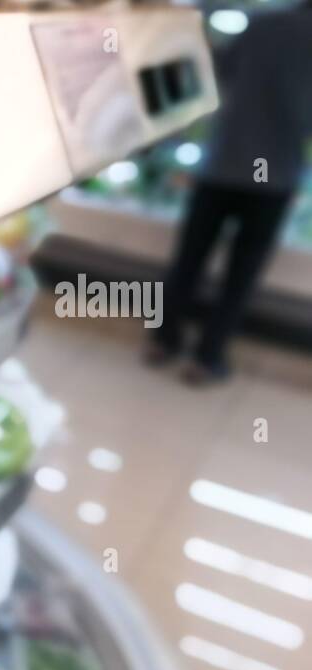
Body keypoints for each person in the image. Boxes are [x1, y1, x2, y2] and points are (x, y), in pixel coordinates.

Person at [146, 3, 312, 385]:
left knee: (188, 260)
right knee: (241, 274)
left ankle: (163, 339)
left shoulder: (263, 23)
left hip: (223, 164)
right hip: (274, 176)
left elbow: (218, 72)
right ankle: (207, 357)